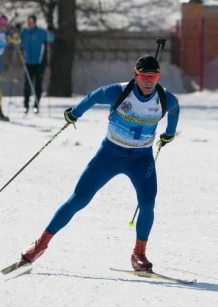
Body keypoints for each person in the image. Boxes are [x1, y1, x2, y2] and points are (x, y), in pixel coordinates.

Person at [18, 54, 180, 272]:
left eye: (154, 76)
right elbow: (93, 96)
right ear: (136, 75)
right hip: (110, 155)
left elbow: (175, 108)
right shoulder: (120, 91)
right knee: (79, 199)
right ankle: (40, 245)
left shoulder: (164, 97)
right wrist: (74, 114)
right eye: (145, 76)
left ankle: (139, 255)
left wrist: (169, 134)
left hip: (142, 159)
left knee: (148, 204)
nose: (150, 81)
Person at [19, 14, 54, 114]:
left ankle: (36, 105)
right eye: (28, 22)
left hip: (39, 62)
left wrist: (50, 31)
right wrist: (16, 31)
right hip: (28, 62)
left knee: (37, 84)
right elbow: (17, 41)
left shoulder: (40, 32)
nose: (29, 24)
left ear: (34, 22)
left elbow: (51, 38)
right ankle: (26, 106)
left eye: (31, 22)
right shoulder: (24, 32)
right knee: (27, 85)